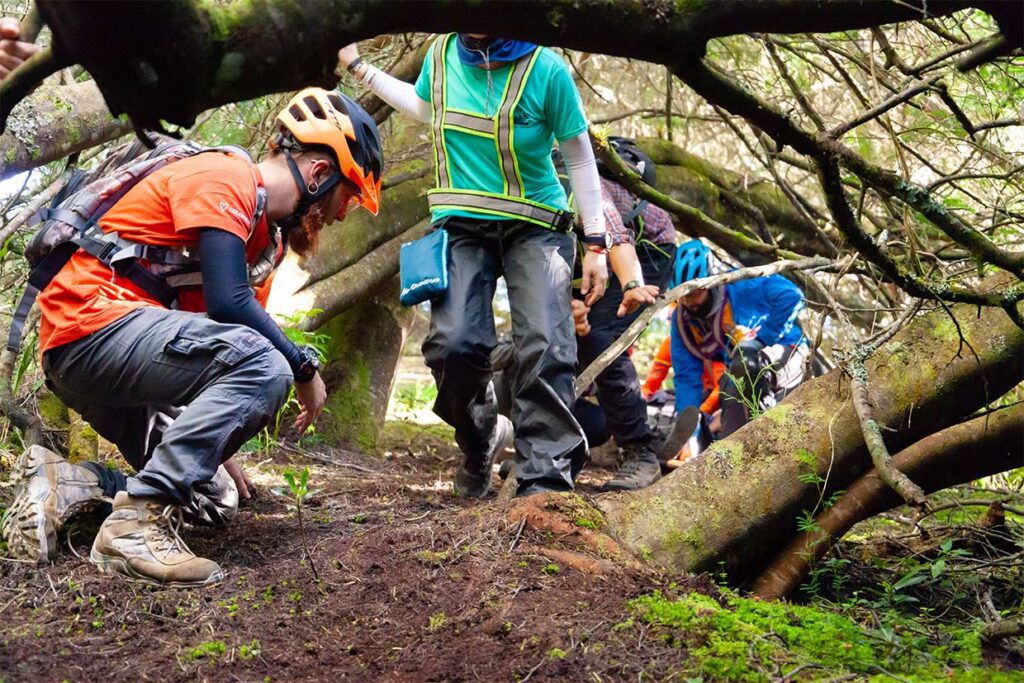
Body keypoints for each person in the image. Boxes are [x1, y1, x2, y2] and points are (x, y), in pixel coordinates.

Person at [0, 76, 384, 587]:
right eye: (350, 196)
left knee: (212, 496)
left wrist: (217, 446)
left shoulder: (260, 248)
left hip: (126, 351)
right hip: (89, 327)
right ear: (318, 172)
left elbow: (212, 343)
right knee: (266, 363)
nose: (341, 214)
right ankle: (134, 527)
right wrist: (303, 366)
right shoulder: (226, 176)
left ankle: (67, 483)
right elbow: (230, 308)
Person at [339, 33, 609, 498]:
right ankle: (481, 439)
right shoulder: (441, 53)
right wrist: (360, 67)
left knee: (544, 342)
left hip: (536, 225)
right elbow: (425, 106)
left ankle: (544, 479)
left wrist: (597, 242)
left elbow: (579, 156)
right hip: (462, 224)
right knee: (453, 346)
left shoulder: (547, 69)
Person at [566, 168, 678, 491]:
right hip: (585, 259)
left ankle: (640, 452)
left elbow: (615, 236)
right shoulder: (523, 200)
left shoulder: (585, 189)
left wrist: (631, 284)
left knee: (601, 337)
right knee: (554, 337)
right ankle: (556, 447)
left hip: (646, 250)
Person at [668, 240, 809, 439]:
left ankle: (766, 432)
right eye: (681, 295)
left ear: (711, 281)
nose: (688, 303)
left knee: (746, 362)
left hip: (788, 353)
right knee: (732, 387)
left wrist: (761, 340)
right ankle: (735, 453)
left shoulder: (741, 285)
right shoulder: (682, 322)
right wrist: (689, 430)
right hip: (739, 374)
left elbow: (793, 296)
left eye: (694, 293)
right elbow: (686, 377)